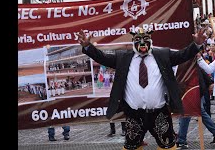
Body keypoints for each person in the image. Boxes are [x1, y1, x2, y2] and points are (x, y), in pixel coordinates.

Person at [77, 27, 206, 150]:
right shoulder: (123, 57)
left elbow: (182, 55)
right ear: (133, 42)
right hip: (134, 114)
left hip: (159, 113)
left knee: (167, 145)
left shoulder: (162, 55)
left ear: (151, 41)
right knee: (132, 146)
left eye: (145, 40)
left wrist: (196, 45)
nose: (142, 43)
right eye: (138, 40)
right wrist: (88, 47)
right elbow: (102, 57)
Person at [176, 58, 215, 149]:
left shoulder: (186, 64)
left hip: (191, 93)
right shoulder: (188, 63)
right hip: (193, 92)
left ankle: (181, 140)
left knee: (186, 115)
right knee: (200, 113)